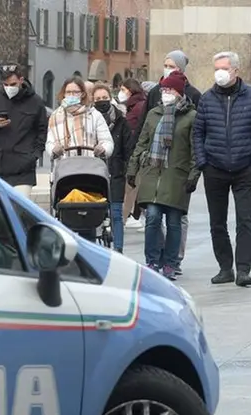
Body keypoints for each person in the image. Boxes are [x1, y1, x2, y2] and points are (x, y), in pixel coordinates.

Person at [193, 51, 251, 287]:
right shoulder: (207, 99)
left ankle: (243, 269)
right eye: (216, 67)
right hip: (214, 168)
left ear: (235, 70)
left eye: (224, 68)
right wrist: (202, 161)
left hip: (245, 168)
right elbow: (198, 132)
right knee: (217, 222)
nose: (220, 72)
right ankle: (225, 268)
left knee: (244, 220)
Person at [126, 71, 199, 280]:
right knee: (153, 218)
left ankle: (170, 262)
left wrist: (194, 175)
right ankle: (152, 260)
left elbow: (195, 149)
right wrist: (132, 169)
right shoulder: (153, 114)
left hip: (177, 175)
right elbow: (142, 143)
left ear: (179, 92)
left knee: (174, 221)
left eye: (169, 89)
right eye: (164, 89)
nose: (165, 93)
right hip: (152, 173)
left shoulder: (191, 117)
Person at [0, 63, 48, 196]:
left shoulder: (36, 102)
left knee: (18, 209)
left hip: (23, 169)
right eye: (5, 84)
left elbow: (42, 131)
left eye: (13, 84)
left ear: (21, 80)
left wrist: (35, 155)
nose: (9, 88)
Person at [92, 82, 133, 252]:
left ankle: (118, 250)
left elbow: (128, 148)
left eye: (105, 98)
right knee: (95, 214)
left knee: (116, 213)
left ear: (111, 99)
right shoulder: (90, 120)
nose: (102, 101)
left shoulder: (121, 121)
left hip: (116, 172)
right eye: (98, 98)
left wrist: (127, 171)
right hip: (94, 175)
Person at [46, 76, 113, 161]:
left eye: (75, 92)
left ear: (83, 94)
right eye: (68, 92)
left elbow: (107, 140)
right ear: (64, 94)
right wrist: (53, 150)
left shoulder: (94, 115)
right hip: (63, 168)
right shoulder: (56, 116)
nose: (71, 95)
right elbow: (50, 141)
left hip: (90, 167)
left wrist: (103, 149)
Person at [118, 78, 148, 231]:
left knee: (132, 186)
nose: (121, 93)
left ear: (131, 90)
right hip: (133, 151)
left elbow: (133, 128)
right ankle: (131, 216)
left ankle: (127, 217)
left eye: (123, 89)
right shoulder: (133, 105)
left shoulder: (137, 106)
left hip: (134, 152)